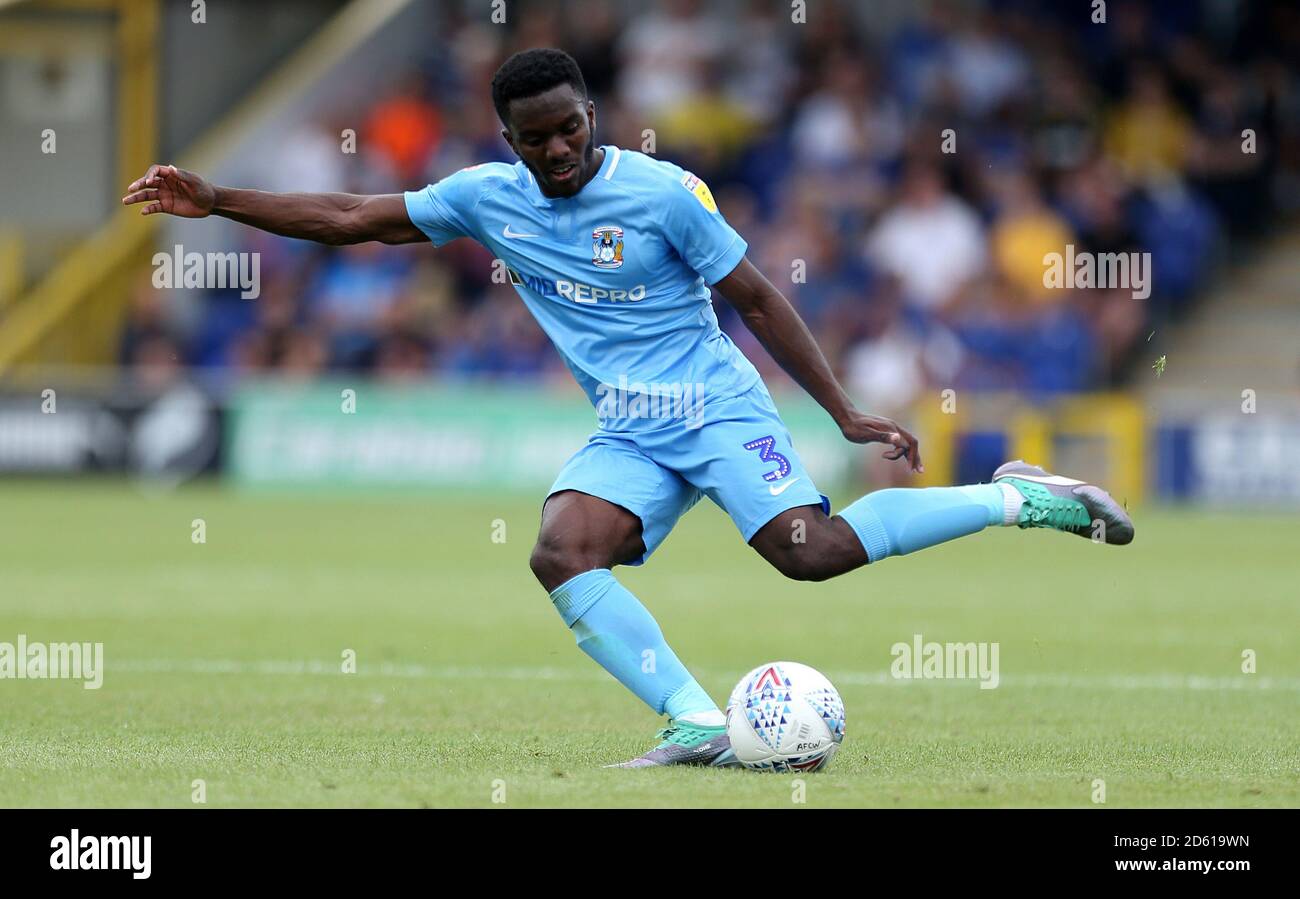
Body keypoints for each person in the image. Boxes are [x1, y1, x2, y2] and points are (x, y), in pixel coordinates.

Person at [123, 48, 1133, 768]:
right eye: (536, 138)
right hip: (628, 428)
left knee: (806, 553)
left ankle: (1019, 499)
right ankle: (698, 720)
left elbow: (756, 296)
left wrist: (843, 411)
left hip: (715, 404)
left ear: (590, 119)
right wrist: (218, 201)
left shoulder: (662, 194)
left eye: (570, 129)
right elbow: (352, 216)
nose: (556, 149)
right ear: (509, 139)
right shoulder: (486, 195)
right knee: (562, 550)